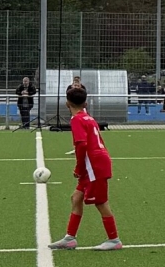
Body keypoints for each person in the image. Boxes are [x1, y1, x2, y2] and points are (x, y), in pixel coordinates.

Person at [48, 86, 123, 251]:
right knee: (76, 198)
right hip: (96, 163)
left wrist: (79, 168)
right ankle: (70, 238)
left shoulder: (77, 120)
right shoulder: (88, 118)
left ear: (67, 103)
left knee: (100, 202)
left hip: (94, 166)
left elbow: (82, 145)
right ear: (86, 103)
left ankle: (114, 239)